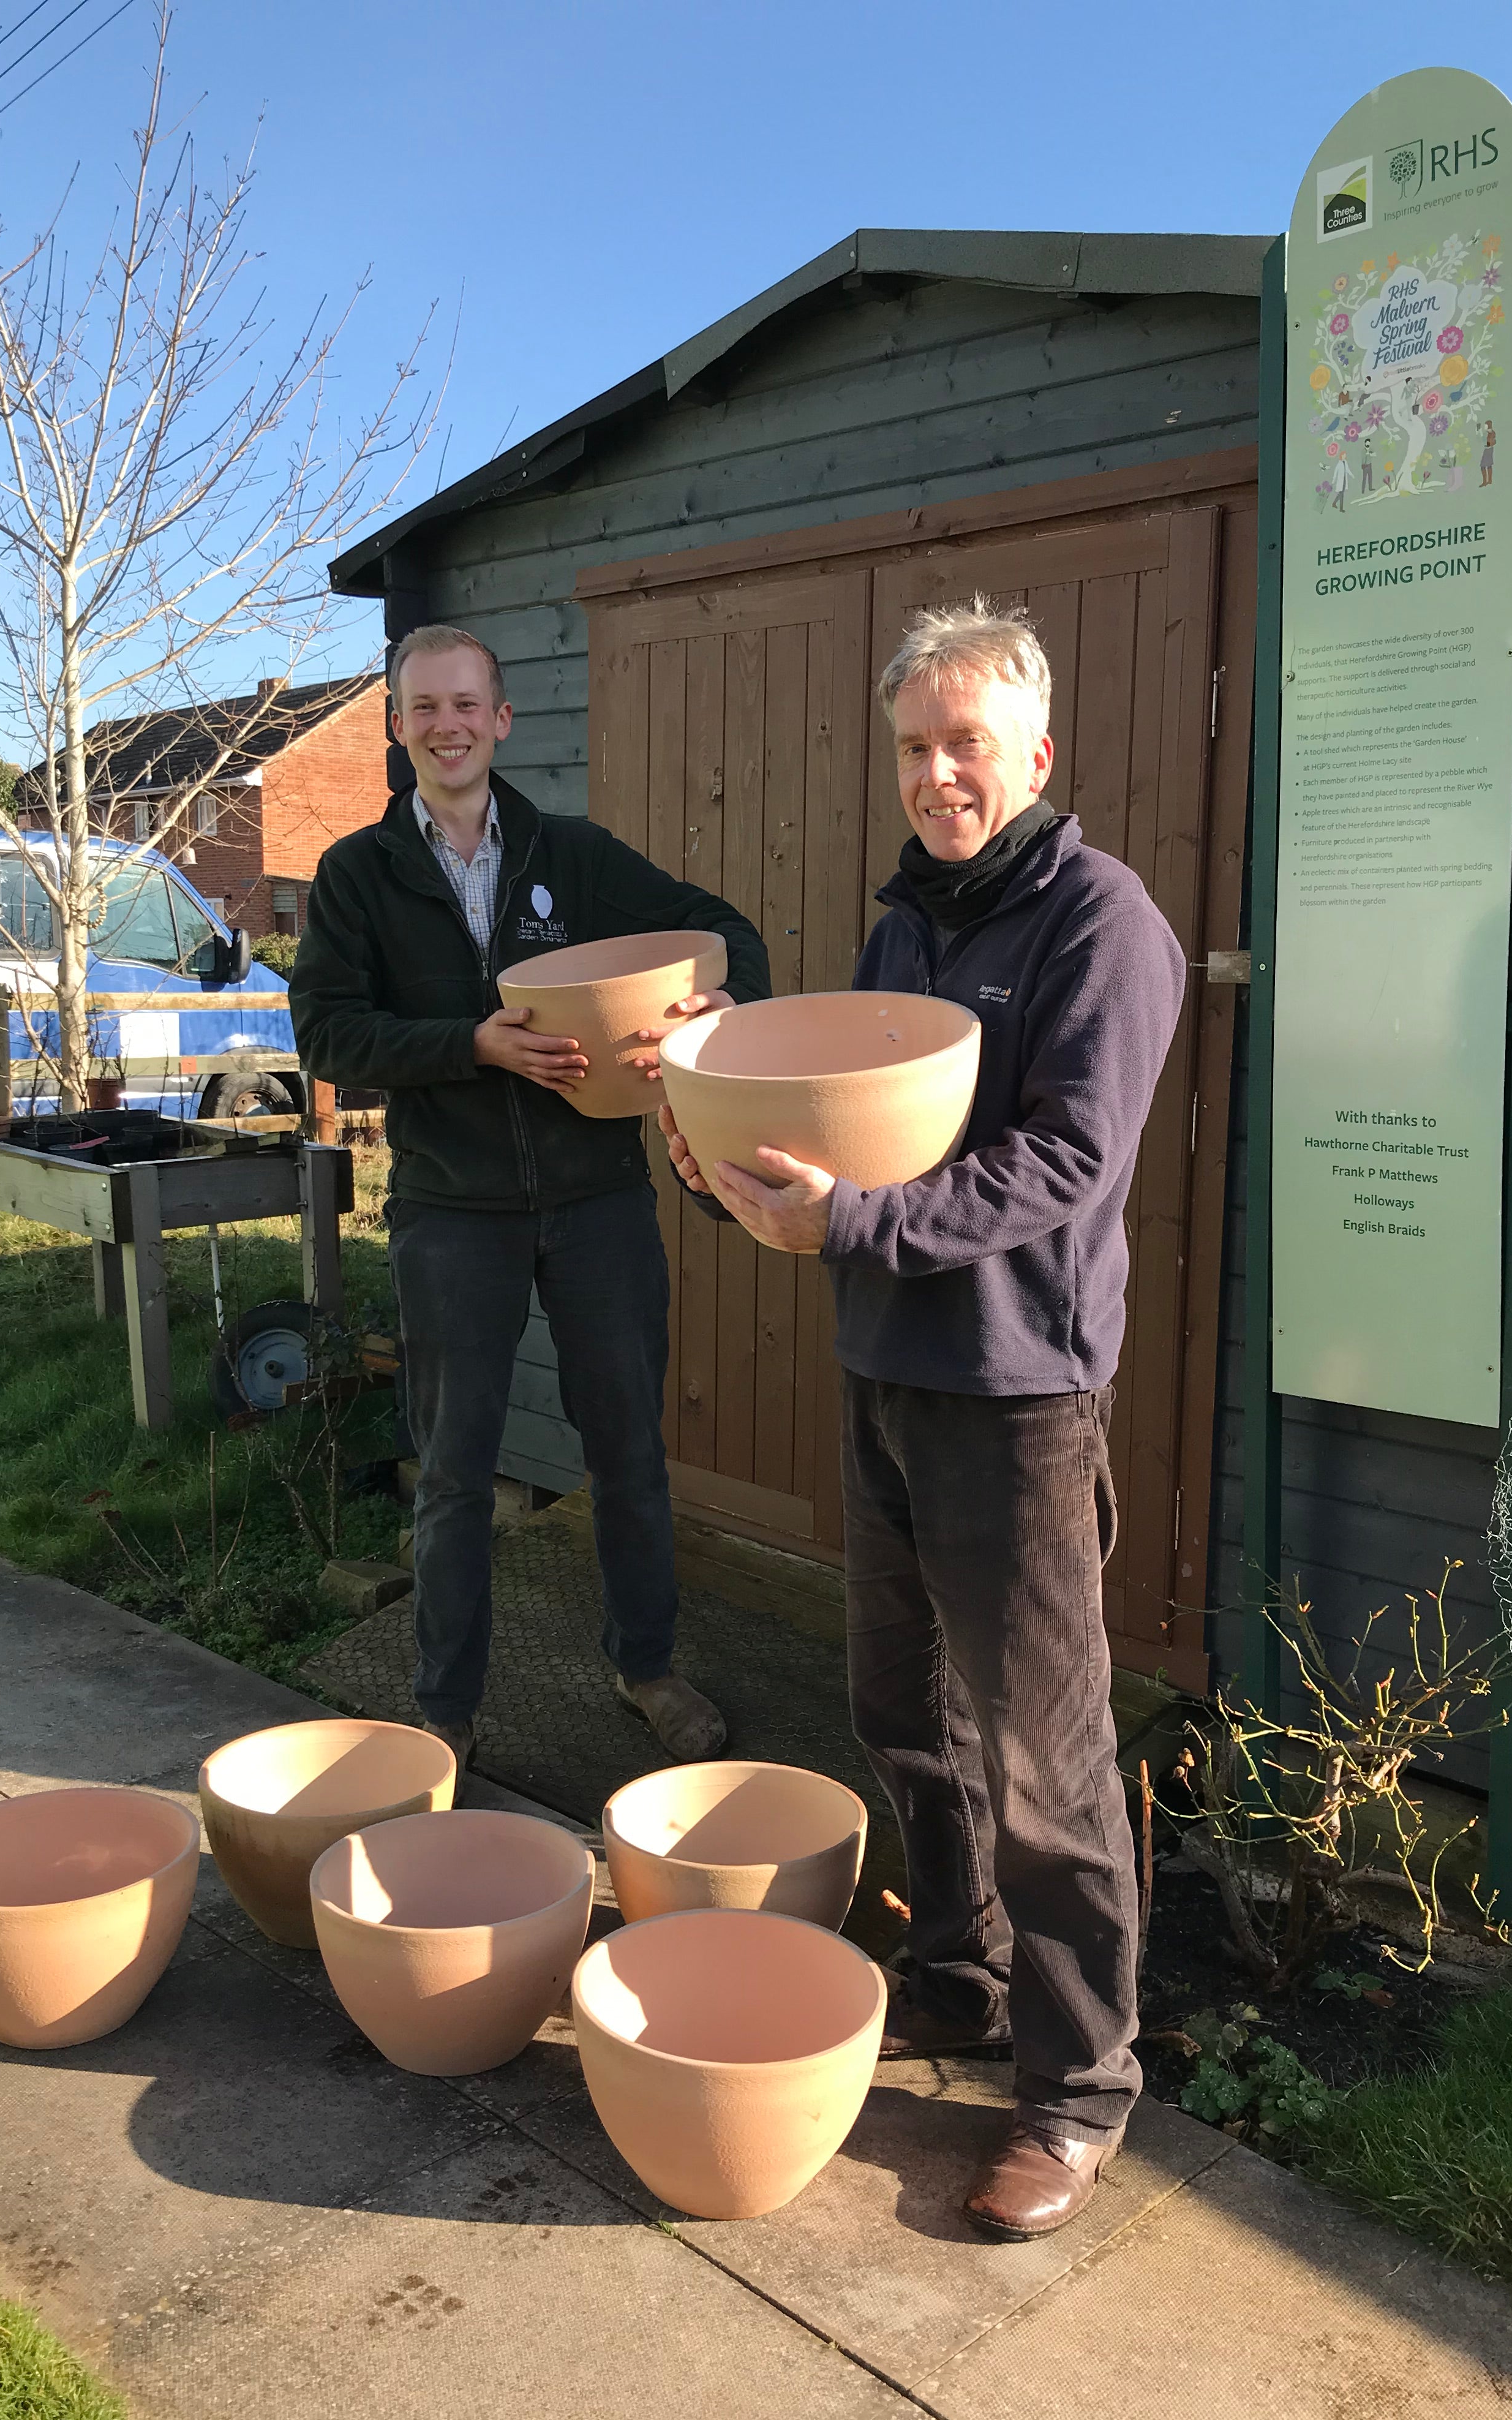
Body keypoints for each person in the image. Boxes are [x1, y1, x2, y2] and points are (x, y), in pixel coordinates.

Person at [662, 601, 1186, 2241]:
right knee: (904, 1710)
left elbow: (1064, 1165)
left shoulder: (1105, 925)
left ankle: (1079, 2089)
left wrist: (851, 1229)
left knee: (1049, 1754)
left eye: (967, 743)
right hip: (886, 1371)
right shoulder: (907, 929)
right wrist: (734, 1170)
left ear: (1037, 753)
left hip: (1019, 1398)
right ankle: (957, 1972)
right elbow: (853, 1143)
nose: (939, 773)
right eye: (914, 747)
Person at [291, 624, 770, 1785]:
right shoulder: (361, 874)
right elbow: (327, 1031)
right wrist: (473, 1046)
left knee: (629, 1452)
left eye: (466, 705)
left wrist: (705, 1018)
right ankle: (445, 1710)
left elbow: (732, 943)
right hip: (453, 1212)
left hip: (598, 1197)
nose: (446, 725)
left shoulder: (577, 855)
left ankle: (645, 1667)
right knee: (454, 1468)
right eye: (422, 709)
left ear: (502, 720)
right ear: (400, 729)